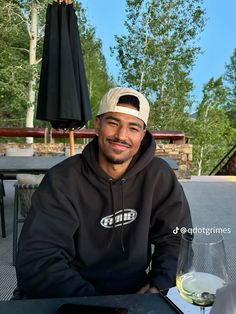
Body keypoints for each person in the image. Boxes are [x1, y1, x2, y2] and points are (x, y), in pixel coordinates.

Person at [16, 87, 192, 298]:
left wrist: (160, 286)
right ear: (97, 125)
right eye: (113, 123)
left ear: (142, 135)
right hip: (71, 293)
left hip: (136, 292)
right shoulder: (62, 179)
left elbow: (177, 238)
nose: (121, 136)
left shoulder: (158, 175)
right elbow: (37, 259)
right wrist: (97, 304)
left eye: (133, 128)